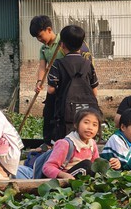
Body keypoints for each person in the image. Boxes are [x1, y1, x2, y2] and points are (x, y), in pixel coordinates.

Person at [29, 15, 92, 149]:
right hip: (54, 86)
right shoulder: (44, 49)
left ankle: (67, 143)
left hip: (69, 88)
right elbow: (42, 67)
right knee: (48, 113)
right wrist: (39, 82)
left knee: (65, 115)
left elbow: (82, 62)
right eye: (37, 38)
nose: (40, 40)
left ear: (49, 29)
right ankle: (47, 143)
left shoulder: (64, 42)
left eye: (40, 36)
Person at [47, 25, 99, 142]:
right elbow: (94, 91)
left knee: (65, 143)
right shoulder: (87, 64)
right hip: (86, 112)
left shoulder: (58, 64)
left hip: (65, 114)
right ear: (81, 45)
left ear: (62, 45)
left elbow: (51, 89)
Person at [40, 107, 101, 179]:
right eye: (86, 122)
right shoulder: (65, 144)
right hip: (62, 181)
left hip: (81, 181)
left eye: (94, 125)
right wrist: (64, 175)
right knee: (87, 165)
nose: (90, 127)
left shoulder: (92, 144)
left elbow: (96, 166)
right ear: (76, 124)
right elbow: (47, 168)